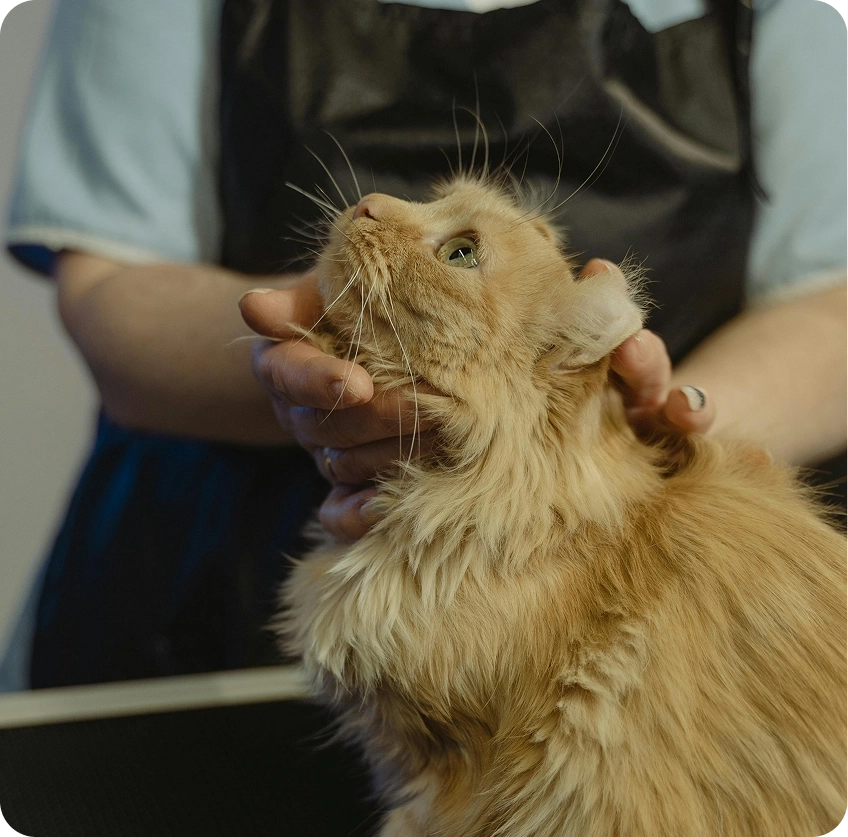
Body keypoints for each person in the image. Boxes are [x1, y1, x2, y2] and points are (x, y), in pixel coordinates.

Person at [2, 0, 846, 697]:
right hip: (206, 587)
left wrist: (644, 428)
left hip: (634, 584)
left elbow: (835, 301)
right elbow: (110, 287)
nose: (373, 204)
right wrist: (310, 356)